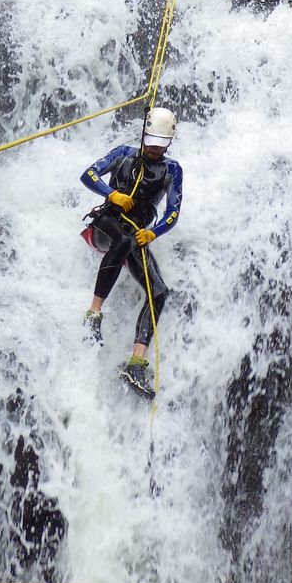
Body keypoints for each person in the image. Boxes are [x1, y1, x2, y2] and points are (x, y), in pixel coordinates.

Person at [79, 106, 183, 399]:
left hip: (136, 235)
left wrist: (154, 232)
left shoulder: (172, 170)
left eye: (160, 145)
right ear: (143, 135)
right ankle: (93, 313)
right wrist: (111, 194)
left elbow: (173, 212)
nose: (153, 149)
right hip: (106, 225)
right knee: (122, 241)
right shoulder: (123, 153)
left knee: (159, 292)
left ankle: (136, 362)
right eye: (150, 142)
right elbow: (88, 174)